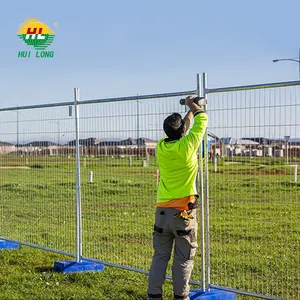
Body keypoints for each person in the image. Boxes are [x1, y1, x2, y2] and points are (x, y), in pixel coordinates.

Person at [147, 96, 208, 300]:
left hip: (162, 213)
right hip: (184, 213)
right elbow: (203, 120)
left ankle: (154, 296)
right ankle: (181, 297)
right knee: (183, 260)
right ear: (183, 132)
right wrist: (193, 105)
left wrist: (188, 112)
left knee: (160, 257)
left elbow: (186, 127)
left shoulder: (161, 147)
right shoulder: (188, 146)